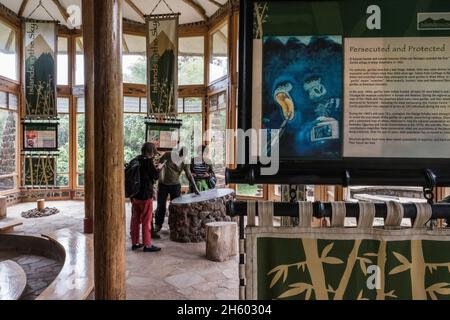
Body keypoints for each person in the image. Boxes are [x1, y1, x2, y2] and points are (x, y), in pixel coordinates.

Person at [154, 147, 200, 234]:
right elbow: (159, 165)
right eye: (179, 154)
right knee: (161, 206)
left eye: (182, 156)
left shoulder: (185, 161)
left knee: (176, 207)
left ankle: (173, 225)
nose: (180, 157)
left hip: (175, 185)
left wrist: (195, 188)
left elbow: (189, 175)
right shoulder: (168, 154)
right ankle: (158, 225)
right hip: (163, 184)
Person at [130, 142, 162, 253]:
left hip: (135, 195)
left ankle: (135, 243)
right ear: (151, 151)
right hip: (145, 195)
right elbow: (155, 176)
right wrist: (159, 169)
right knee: (146, 220)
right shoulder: (148, 162)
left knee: (135, 219)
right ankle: (147, 245)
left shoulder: (135, 160)